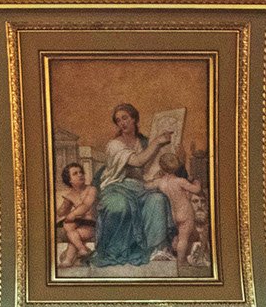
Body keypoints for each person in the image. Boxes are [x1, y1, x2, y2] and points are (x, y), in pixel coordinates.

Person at [91, 104, 175, 269]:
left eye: (125, 118)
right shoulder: (114, 145)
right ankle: (118, 250)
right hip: (117, 187)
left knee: (157, 199)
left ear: (134, 119)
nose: (122, 123)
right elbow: (137, 161)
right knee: (119, 205)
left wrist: (156, 175)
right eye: (118, 120)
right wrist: (157, 142)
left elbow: (151, 168)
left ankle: (156, 249)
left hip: (140, 188)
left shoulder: (144, 142)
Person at [149, 147, 201, 267]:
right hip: (185, 212)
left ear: (161, 167)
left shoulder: (160, 182)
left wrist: (154, 178)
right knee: (183, 238)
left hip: (172, 215)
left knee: (176, 236)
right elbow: (196, 190)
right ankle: (180, 262)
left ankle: (174, 256)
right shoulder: (180, 181)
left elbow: (148, 186)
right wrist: (197, 182)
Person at [55, 162, 97, 268]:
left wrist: (73, 214)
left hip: (94, 225)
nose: (80, 175)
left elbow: (86, 206)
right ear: (69, 180)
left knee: (74, 235)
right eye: (75, 173)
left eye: (81, 172)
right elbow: (61, 212)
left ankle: (70, 259)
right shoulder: (70, 195)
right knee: (68, 226)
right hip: (81, 224)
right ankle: (81, 251)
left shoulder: (91, 189)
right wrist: (65, 205)